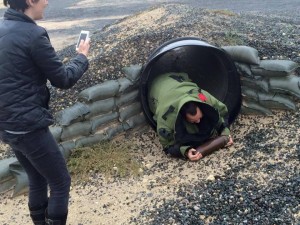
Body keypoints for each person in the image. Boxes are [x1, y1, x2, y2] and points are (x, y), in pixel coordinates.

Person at [0, 0, 90, 224]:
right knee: (60, 182)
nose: (47, 2)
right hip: (28, 125)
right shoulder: (34, 34)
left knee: (37, 178)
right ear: (30, 1)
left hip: (6, 124)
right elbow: (63, 79)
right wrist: (81, 57)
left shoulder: (2, 29)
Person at [148, 72, 233, 161]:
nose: (198, 121)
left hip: (173, 77)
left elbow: (222, 112)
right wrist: (185, 151)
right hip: (155, 89)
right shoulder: (166, 118)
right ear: (183, 117)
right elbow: (167, 146)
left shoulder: (203, 97)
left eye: (200, 117)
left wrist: (225, 132)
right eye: (193, 121)